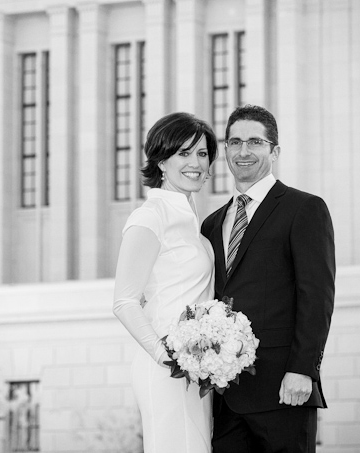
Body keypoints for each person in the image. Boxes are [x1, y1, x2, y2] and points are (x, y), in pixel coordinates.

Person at [201, 104, 335, 452]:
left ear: (274, 150)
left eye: (255, 142)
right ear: (226, 150)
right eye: (234, 142)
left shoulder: (303, 209)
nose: (243, 151)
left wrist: (304, 370)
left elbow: (316, 296)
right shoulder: (211, 224)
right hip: (226, 397)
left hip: (283, 389)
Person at [113, 112, 218, 452]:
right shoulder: (150, 217)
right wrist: (167, 357)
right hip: (168, 369)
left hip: (197, 370)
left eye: (202, 153)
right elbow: (124, 301)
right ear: (161, 161)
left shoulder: (190, 218)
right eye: (184, 153)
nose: (196, 162)